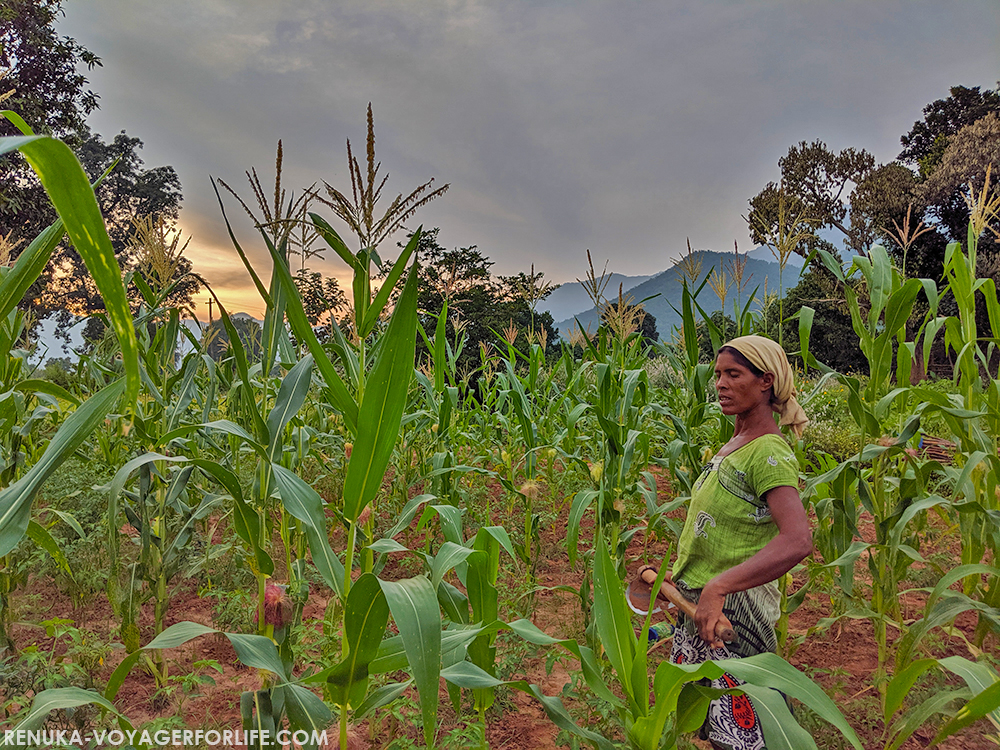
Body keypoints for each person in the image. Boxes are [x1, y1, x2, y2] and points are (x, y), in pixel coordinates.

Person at [644, 335, 813, 750]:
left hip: (733, 614)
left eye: (733, 374)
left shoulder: (767, 450)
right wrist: (683, 578)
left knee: (745, 734)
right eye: (718, 374)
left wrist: (717, 587)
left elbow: (797, 540)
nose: (719, 383)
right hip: (698, 606)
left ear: (765, 381)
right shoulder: (733, 446)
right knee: (717, 727)